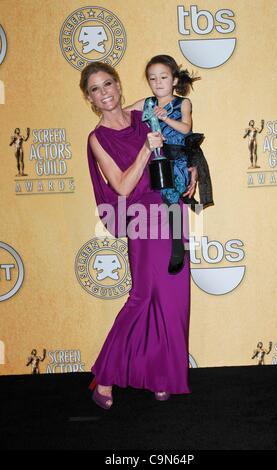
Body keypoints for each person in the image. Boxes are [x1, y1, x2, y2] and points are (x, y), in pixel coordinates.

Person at [80, 62, 198, 409]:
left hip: (171, 209)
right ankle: (104, 375)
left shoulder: (142, 114)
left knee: (174, 301)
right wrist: (146, 149)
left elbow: (178, 140)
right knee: (143, 297)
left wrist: (190, 166)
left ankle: (162, 377)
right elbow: (122, 186)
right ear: (89, 97)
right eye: (96, 89)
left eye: (108, 84)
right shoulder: (97, 138)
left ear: (118, 84)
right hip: (142, 218)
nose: (105, 93)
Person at [126, 55, 213, 273]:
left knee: (172, 196)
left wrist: (165, 118)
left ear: (174, 80)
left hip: (178, 160)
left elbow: (186, 129)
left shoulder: (182, 102)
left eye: (163, 77)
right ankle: (158, 248)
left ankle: (178, 247)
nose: (158, 82)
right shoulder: (147, 103)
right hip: (154, 160)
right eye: (152, 78)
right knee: (154, 202)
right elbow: (122, 113)